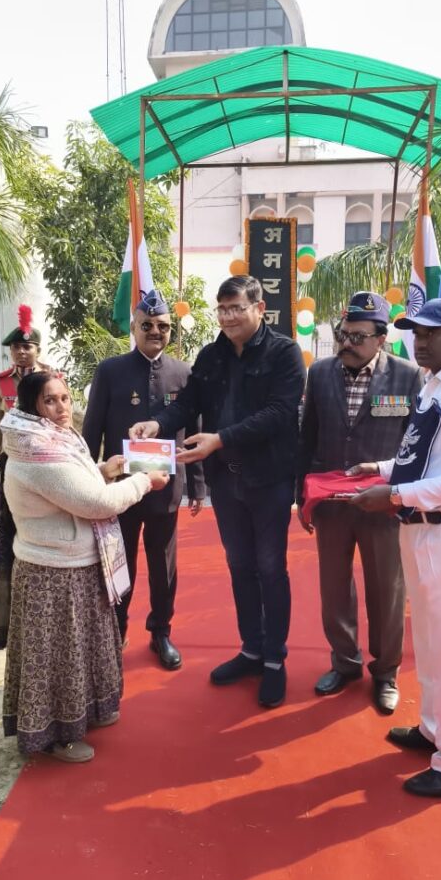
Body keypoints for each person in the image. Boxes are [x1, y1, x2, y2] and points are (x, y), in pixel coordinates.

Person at [129, 274, 306, 708]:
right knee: (240, 566)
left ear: (259, 308)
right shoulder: (211, 355)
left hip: (269, 480)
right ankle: (251, 650)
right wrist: (158, 424)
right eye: (222, 309)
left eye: (236, 308)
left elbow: (280, 413)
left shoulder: (284, 353)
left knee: (271, 568)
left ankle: (274, 660)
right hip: (227, 482)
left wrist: (221, 439)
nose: (227, 317)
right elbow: (189, 404)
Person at [0, 371, 168, 763]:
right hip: (52, 574)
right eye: (49, 401)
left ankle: (87, 712)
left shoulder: (50, 439)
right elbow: (95, 504)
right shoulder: (37, 453)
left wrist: (105, 470)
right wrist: (143, 482)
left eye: (65, 398)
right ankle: (57, 736)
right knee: (59, 660)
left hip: (74, 564)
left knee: (81, 650)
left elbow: (75, 483)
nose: (61, 408)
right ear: (32, 407)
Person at [297, 291, 423, 714]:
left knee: (386, 591)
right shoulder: (321, 373)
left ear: (381, 339)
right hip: (331, 504)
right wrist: (303, 495)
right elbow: (307, 437)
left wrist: (403, 497)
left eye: (358, 337)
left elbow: (415, 447)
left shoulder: (407, 377)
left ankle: (385, 672)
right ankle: (345, 662)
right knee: (334, 588)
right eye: (343, 334)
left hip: (383, 505)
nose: (347, 343)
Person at [350, 297, 441, 796]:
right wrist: (382, 470)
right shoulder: (434, 384)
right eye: (416, 332)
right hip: (417, 528)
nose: (420, 340)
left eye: (432, 332)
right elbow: (423, 458)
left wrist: (394, 495)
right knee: (430, 643)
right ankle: (434, 729)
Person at [82, 289, 205, 671]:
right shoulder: (110, 371)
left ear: (171, 330)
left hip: (165, 488)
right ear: (133, 328)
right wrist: (87, 478)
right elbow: (92, 429)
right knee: (121, 563)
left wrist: (198, 486)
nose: (155, 332)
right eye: (147, 325)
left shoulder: (184, 374)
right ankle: (116, 631)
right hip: (120, 489)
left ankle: (161, 632)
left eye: (163, 326)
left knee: (163, 565)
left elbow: (194, 432)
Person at [0, 304, 52, 459]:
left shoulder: (51, 379)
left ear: (38, 351)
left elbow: (63, 419)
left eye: (27, 347)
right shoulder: (0, 383)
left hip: (47, 455)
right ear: (10, 351)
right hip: (12, 457)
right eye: (15, 347)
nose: (21, 351)